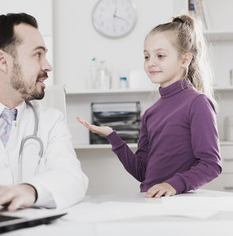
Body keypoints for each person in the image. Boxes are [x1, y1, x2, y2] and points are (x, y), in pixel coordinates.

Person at [0, 13, 88, 211]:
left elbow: (73, 178)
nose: (48, 66)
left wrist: (30, 190)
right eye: (38, 54)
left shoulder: (51, 121)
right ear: (3, 61)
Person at [77, 14, 221, 198]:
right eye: (146, 56)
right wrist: (112, 136)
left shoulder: (197, 103)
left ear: (185, 59)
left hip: (178, 203)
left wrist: (173, 185)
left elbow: (211, 164)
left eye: (160, 55)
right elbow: (142, 172)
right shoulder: (150, 113)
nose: (151, 62)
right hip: (150, 201)